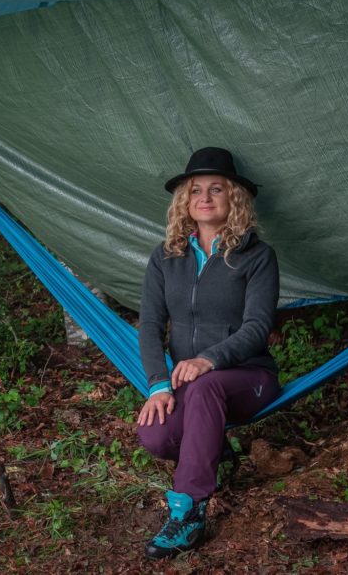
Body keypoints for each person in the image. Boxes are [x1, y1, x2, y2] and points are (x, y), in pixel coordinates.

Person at [136, 146, 280, 559]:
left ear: (233, 198)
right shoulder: (166, 258)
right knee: (156, 435)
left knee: (205, 388)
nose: (205, 197)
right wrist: (159, 385)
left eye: (216, 189)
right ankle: (215, 449)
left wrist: (208, 359)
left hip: (249, 377)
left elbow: (256, 328)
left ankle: (189, 512)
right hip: (186, 385)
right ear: (185, 201)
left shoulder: (257, 257)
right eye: (196, 189)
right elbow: (149, 326)